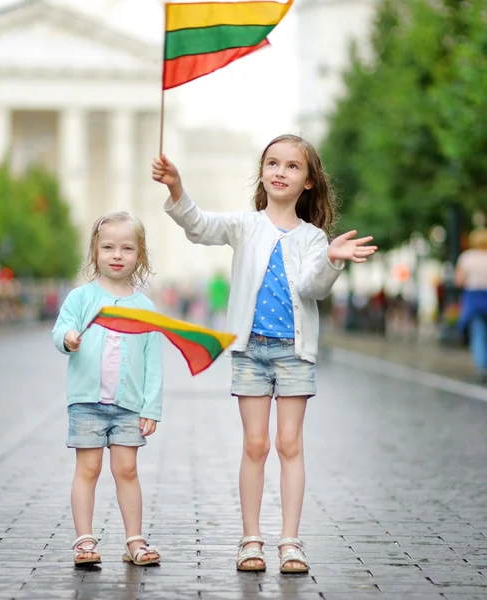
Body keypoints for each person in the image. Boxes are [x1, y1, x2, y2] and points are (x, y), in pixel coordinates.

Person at [152, 134, 377, 574]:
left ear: (309, 182)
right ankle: (250, 539)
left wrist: (331, 258)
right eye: (272, 163)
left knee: (289, 444)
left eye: (292, 166)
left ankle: (290, 542)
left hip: (294, 354)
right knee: (255, 445)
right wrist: (177, 187)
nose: (280, 172)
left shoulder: (314, 238)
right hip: (250, 351)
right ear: (262, 172)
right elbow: (199, 226)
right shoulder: (245, 224)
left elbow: (312, 287)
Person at [52, 211, 163, 567]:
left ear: (139, 256)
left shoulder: (145, 307)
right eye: (109, 247)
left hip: (128, 406)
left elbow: (154, 361)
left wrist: (152, 406)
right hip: (86, 403)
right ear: (95, 251)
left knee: (127, 470)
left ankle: (134, 541)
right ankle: (84, 541)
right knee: (88, 469)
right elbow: (60, 331)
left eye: (127, 248)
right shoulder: (81, 297)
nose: (117, 255)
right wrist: (68, 338)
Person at [455, 227, 487, 384]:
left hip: (475, 298)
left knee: (478, 334)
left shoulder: (467, 258)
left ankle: (482, 367)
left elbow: (459, 281)